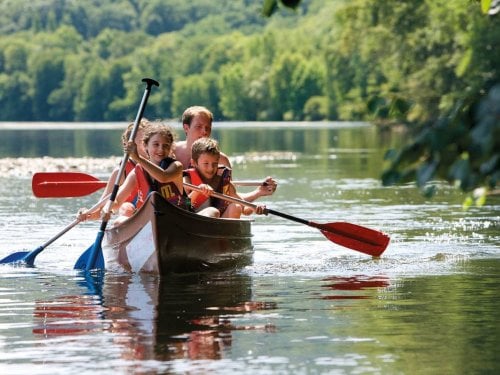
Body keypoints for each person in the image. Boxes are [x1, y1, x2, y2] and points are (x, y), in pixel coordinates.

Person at [174, 106, 277, 202]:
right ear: (186, 128)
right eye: (199, 126)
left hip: (207, 210)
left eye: (208, 127)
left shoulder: (221, 160)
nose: (204, 131)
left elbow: (232, 198)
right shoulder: (171, 152)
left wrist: (258, 192)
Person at [106, 122, 187, 219]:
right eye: (156, 144)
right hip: (148, 219)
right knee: (119, 220)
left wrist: (138, 158)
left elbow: (163, 177)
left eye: (165, 145)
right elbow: (118, 201)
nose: (161, 149)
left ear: (170, 148)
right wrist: (107, 208)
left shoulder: (176, 166)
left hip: (175, 218)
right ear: (145, 146)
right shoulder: (137, 172)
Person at [77, 119, 151, 222]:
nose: (146, 146)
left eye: (148, 141)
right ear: (128, 145)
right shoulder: (120, 172)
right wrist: (86, 214)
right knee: (126, 207)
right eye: (142, 142)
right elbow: (99, 212)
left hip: (153, 211)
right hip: (130, 215)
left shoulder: (159, 164)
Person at [184, 137, 266, 219]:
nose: (211, 168)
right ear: (194, 163)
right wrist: (196, 191)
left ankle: (228, 231)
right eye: (206, 163)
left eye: (215, 163)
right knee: (213, 211)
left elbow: (244, 209)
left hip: (218, 225)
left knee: (236, 207)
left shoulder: (224, 183)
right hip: (194, 220)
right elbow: (185, 204)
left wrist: (255, 208)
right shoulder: (187, 179)